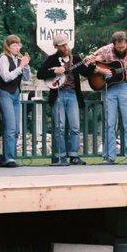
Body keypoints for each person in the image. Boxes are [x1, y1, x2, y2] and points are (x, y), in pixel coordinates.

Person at [37, 33, 93, 165]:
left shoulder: (76, 58)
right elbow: (40, 74)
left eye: (66, 44)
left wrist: (91, 63)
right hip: (58, 95)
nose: (66, 47)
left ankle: (74, 156)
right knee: (59, 127)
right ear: (57, 47)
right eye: (62, 45)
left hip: (73, 94)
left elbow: (87, 72)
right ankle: (59, 156)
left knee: (74, 126)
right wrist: (54, 71)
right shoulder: (52, 59)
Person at [93, 31, 127, 164]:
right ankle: (109, 156)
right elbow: (89, 61)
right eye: (118, 47)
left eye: (123, 46)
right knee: (109, 123)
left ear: (126, 42)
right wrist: (101, 70)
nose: (121, 49)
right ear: (114, 44)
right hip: (109, 88)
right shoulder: (107, 49)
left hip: (125, 86)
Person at [0, 35, 31, 167]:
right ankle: (8, 159)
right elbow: (6, 77)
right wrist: (20, 67)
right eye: (14, 45)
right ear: (8, 46)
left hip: (16, 94)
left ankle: (11, 157)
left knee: (16, 128)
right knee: (10, 127)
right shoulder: (3, 59)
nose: (17, 47)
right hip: (5, 93)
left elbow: (27, 78)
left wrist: (25, 66)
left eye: (19, 45)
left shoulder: (18, 59)